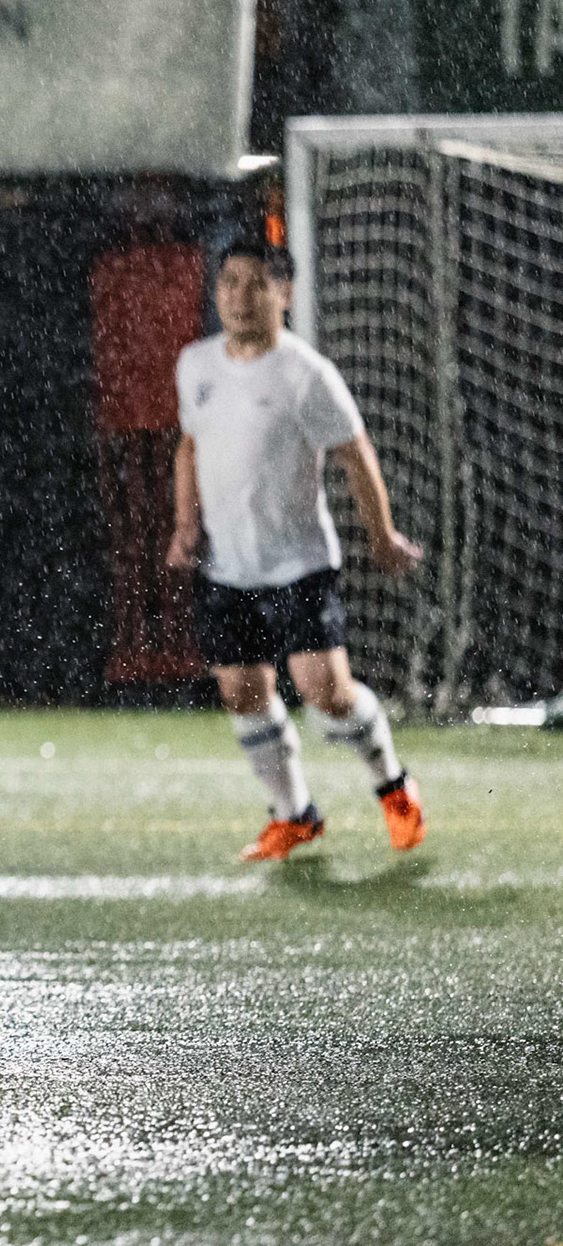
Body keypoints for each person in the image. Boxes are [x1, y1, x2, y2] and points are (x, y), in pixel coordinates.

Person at [166, 235, 427, 862]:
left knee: (324, 691)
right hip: (227, 568)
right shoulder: (196, 365)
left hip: (298, 565)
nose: (240, 296)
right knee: (241, 692)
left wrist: (381, 534)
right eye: (229, 282)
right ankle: (295, 814)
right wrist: (184, 526)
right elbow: (190, 447)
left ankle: (393, 785)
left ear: (284, 293)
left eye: (256, 283)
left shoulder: (307, 374)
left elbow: (355, 454)